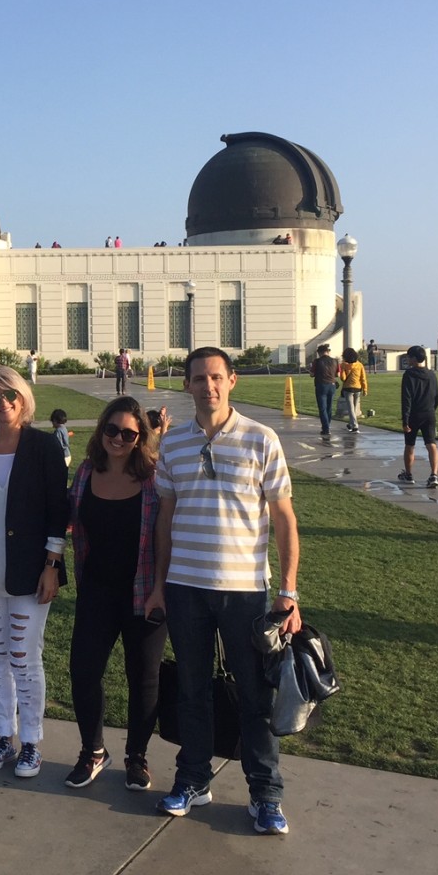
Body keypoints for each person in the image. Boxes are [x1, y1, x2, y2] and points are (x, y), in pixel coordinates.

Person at [146, 347, 301, 833]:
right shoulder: (172, 445)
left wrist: (290, 591)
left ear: (232, 381)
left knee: (254, 695)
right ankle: (193, 778)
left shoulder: (261, 439)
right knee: (192, 691)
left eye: (215, 377)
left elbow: (283, 518)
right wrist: (157, 586)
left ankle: (265, 793)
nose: (207, 386)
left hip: (245, 591)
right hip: (186, 588)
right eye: (198, 379)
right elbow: (165, 521)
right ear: (187, 385)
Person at [0, 368, 68, 778]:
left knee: (24, 657)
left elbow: (58, 512)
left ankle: (31, 742)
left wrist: (52, 567)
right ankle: (4, 736)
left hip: (30, 573)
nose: (2, 402)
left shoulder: (42, 447)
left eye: (9, 393)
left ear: (23, 396)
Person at [66, 396, 165, 792]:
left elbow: (165, 536)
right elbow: (69, 521)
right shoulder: (88, 471)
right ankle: (93, 751)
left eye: (128, 433)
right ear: (101, 431)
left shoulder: (154, 478)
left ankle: (136, 757)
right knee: (83, 672)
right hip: (97, 589)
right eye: (111, 430)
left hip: (144, 592)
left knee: (143, 677)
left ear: (141, 437)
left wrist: (160, 589)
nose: (118, 439)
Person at [399, 345, 438, 487]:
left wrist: (405, 419)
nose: (408, 359)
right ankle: (434, 475)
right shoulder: (431, 374)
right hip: (429, 413)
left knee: (410, 445)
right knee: (431, 444)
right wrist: (432, 410)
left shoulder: (409, 375)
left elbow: (407, 398)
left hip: (414, 414)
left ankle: (409, 474)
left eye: (409, 357)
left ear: (414, 358)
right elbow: (437, 396)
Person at [310, 344, 338, 437]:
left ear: (319, 352)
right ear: (328, 351)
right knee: (329, 407)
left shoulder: (317, 361)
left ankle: (326, 428)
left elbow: (312, 374)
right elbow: (338, 373)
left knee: (322, 408)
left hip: (321, 385)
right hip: (332, 385)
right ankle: (327, 425)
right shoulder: (335, 361)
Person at [337, 347, 367, 432]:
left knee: (350, 408)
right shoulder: (360, 365)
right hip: (358, 388)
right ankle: (351, 423)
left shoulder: (344, 365)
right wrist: (365, 389)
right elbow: (363, 378)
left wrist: (342, 369)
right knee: (353, 408)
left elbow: (343, 378)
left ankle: (354, 425)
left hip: (348, 388)